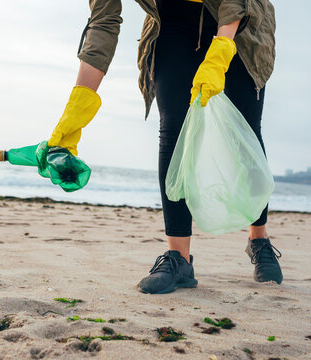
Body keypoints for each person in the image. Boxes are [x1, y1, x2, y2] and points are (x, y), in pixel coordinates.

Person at [48, 0, 283, 294]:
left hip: (240, 26)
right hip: (172, 24)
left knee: (245, 133)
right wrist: (75, 113)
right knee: (173, 128)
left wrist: (220, 53)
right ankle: (179, 258)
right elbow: (102, 25)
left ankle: (258, 239)